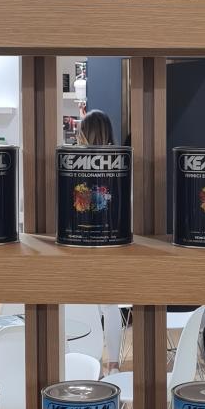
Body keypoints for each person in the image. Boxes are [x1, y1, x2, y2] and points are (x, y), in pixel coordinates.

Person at [76, 110, 123, 374]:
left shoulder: (76, 163)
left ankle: (89, 363)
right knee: (109, 304)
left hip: (83, 240)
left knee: (87, 303)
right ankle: (112, 364)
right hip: (111, 240)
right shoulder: (119, 162)